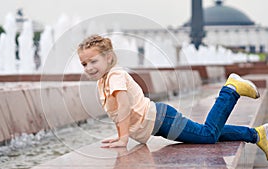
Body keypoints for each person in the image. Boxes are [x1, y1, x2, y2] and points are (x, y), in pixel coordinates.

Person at [77, 34, 268, 160]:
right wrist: (120, 135)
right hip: (160, 121)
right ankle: (257, 134)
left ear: (109, 58)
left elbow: (124, 106)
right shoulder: (104, 81)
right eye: (84, 64)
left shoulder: (114, 76)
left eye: (94, 61)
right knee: (206, 131)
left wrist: (124, 138)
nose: (89, 67)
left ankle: (231, 90)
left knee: (207, 135)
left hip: (162, 120)